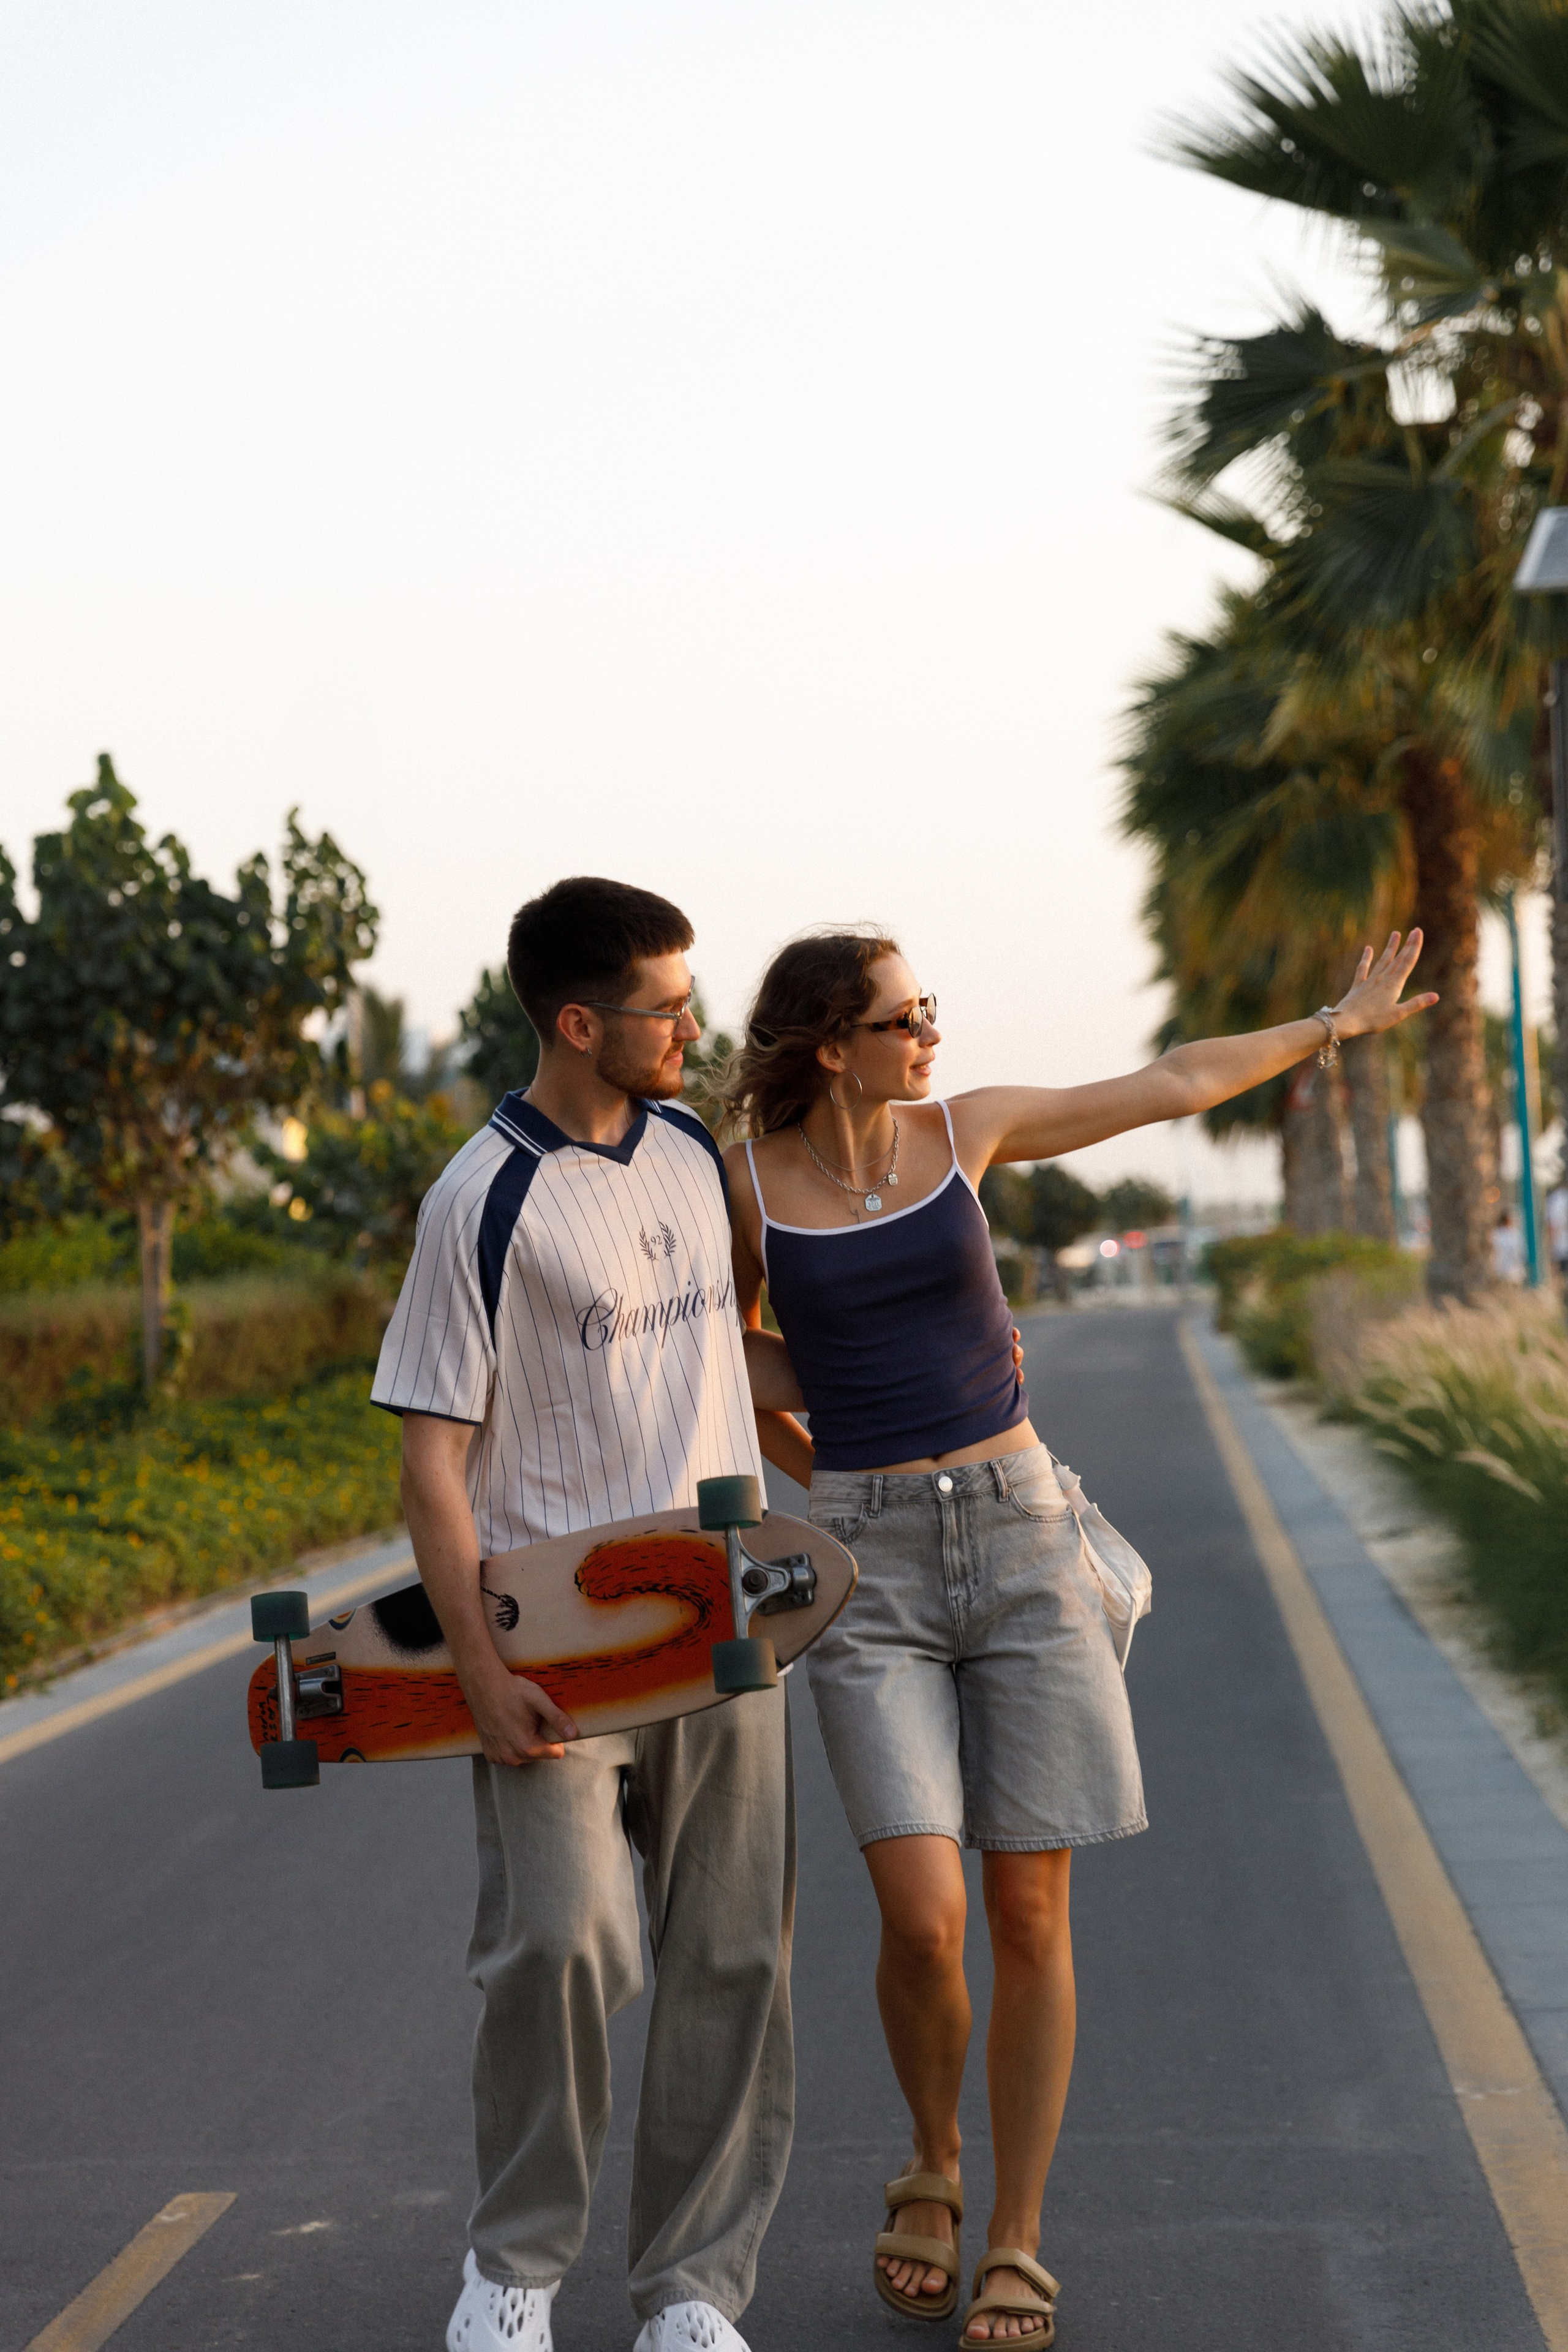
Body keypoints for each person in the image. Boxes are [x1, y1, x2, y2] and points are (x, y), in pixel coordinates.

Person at [722, 925, 1435, 2350]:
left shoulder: (965, 1131)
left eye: (930, 1010)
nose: (930, 1033)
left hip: (1024, 1532)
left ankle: (1014, 2234)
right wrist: (833, 1484)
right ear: (824, 1042)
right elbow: (724, 1356)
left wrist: (1329, 1026)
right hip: (871, 1565)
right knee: (922, 1919)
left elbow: (1167, 1083)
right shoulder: (745, 1187)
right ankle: (931, 2153)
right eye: (901, 1017)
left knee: (1026, 1911)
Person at [374, 876, 805, 2352]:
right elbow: (432, 1457)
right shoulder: (478, 1197)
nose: (693, 1028)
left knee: (733, 1956)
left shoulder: (694, 1146)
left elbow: (731, 1350)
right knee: (561, 1943)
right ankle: (512, 2273)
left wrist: (844, 1438)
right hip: (553, 1639)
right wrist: (479, 1672)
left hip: (726, 1616)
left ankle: (691, 2291)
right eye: (664, 1008)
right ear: (577, 1022)